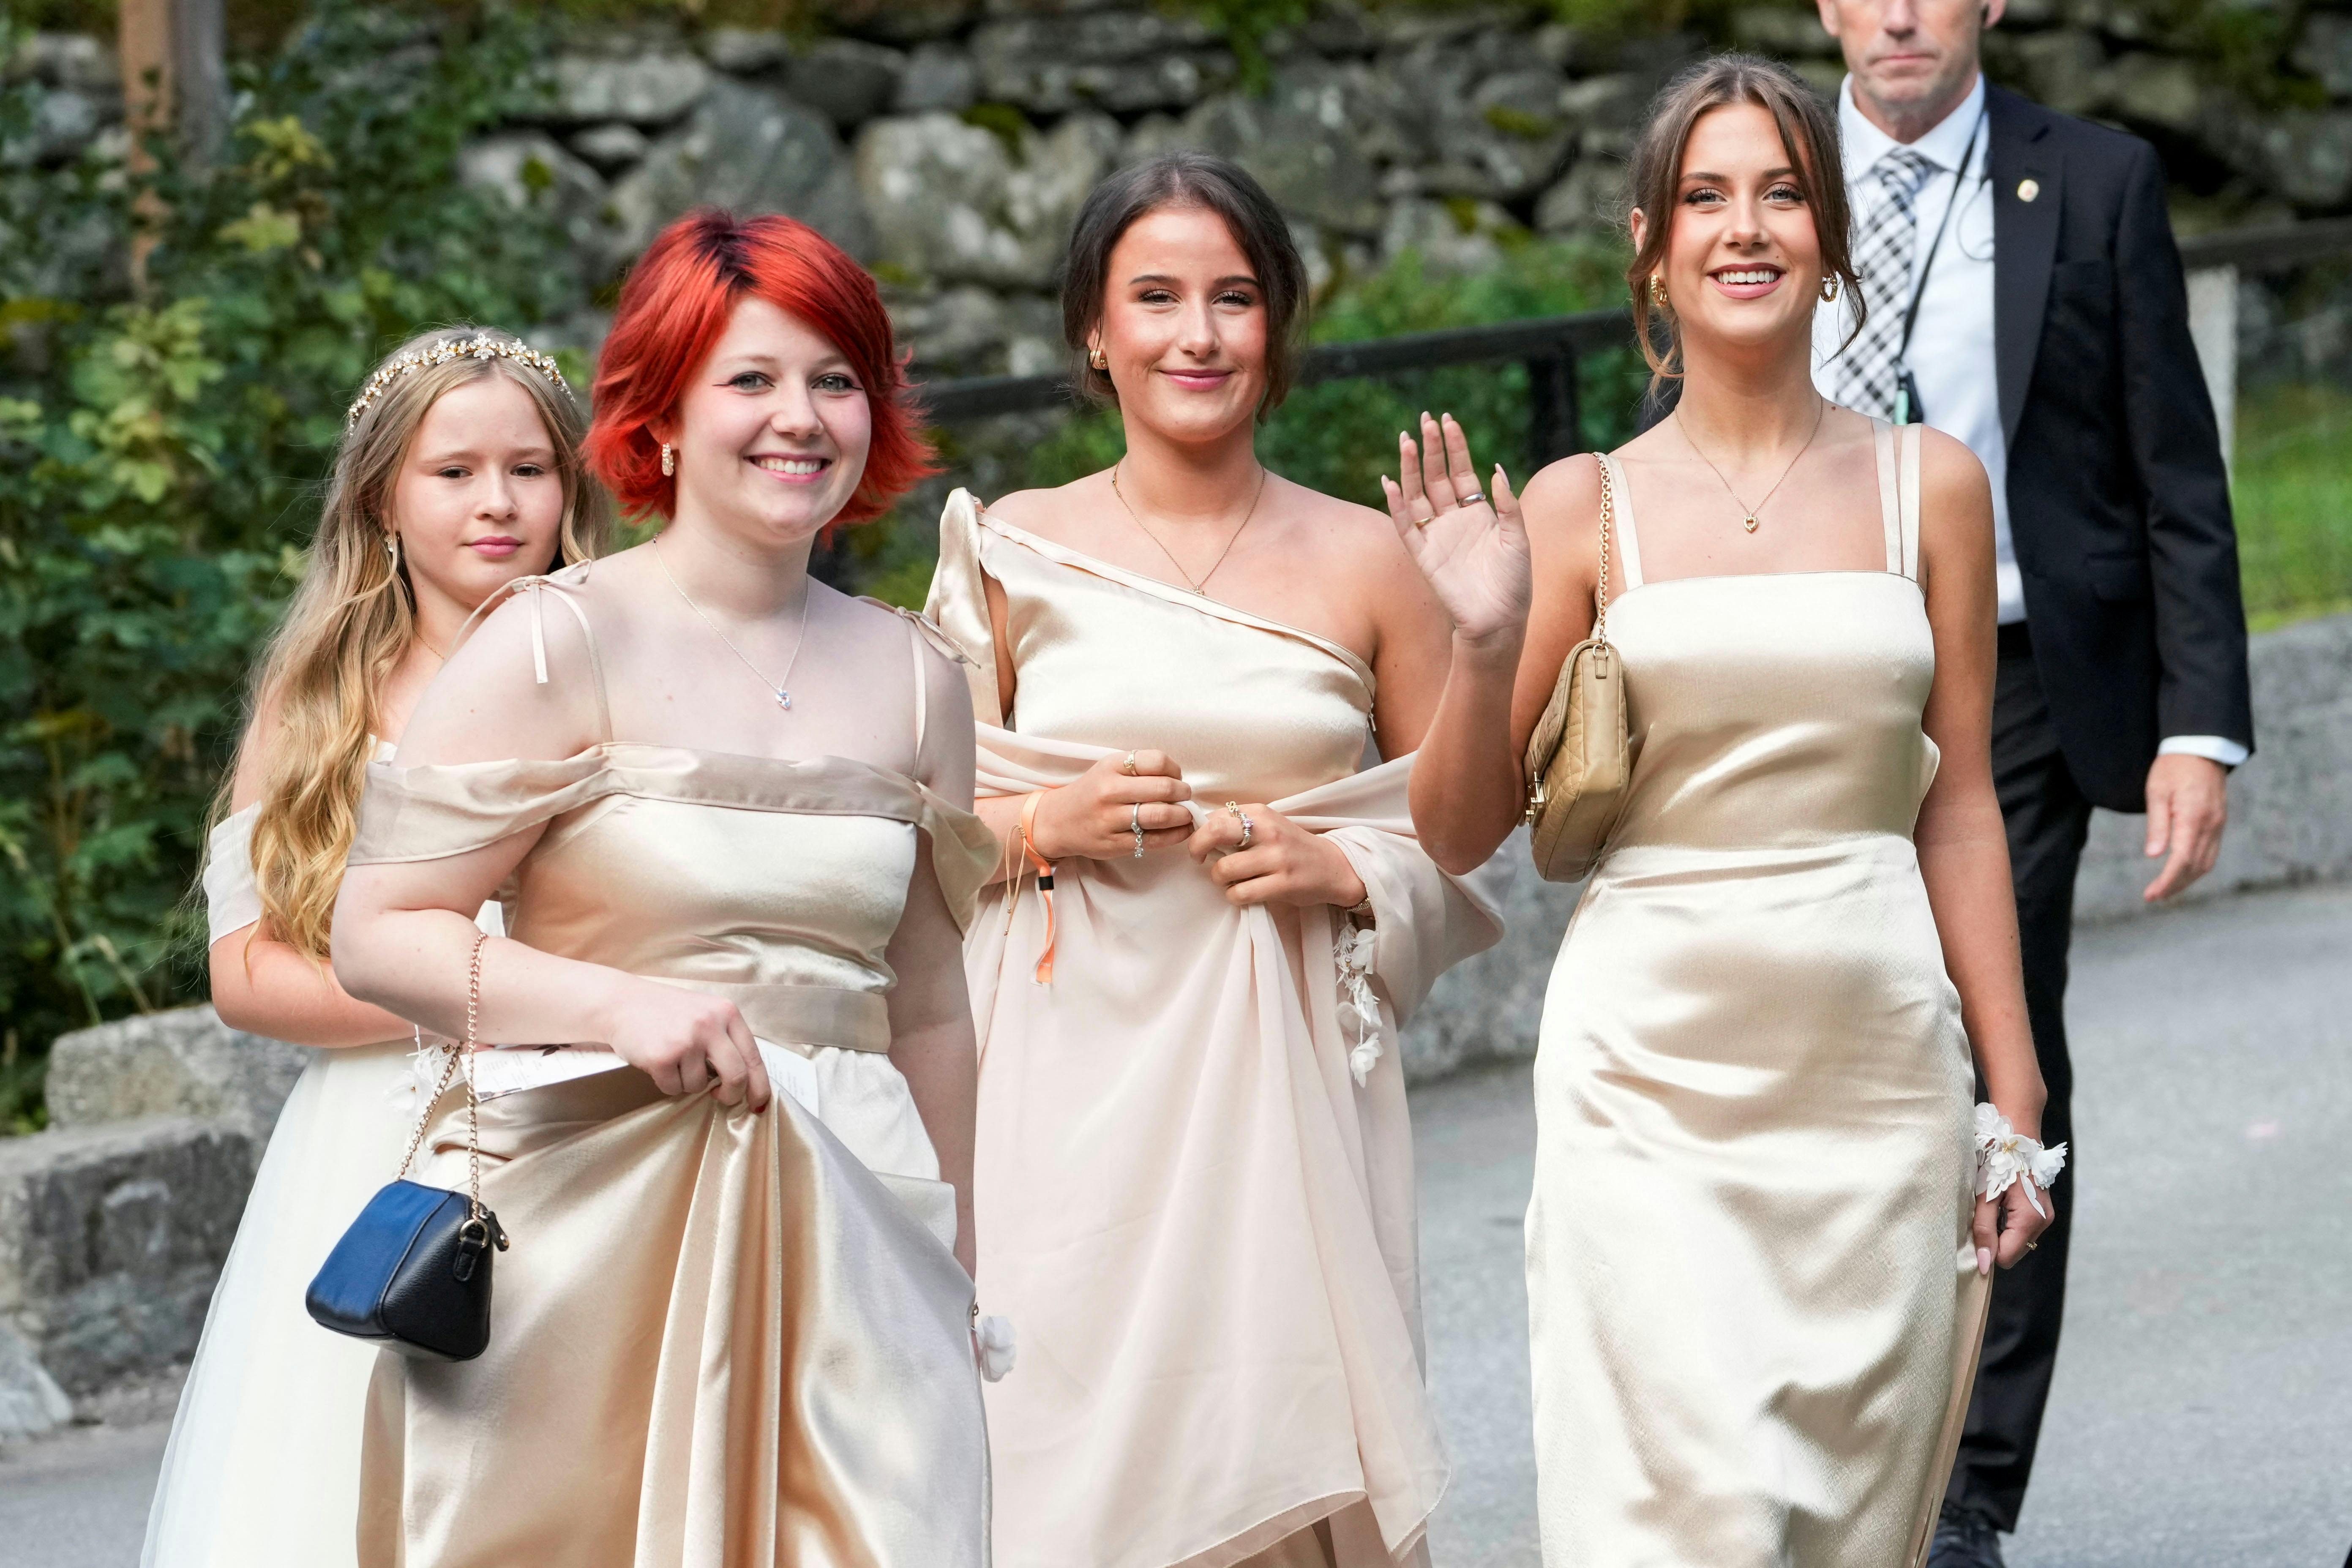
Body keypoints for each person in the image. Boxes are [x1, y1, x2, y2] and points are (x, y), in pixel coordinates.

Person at [1387, 57, 2060, 1568]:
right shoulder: (1580, 505)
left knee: (1839, 1526)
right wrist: (1485, 640)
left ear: (1829, 234)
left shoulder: (1931, 486)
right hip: (1650, 1085)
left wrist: (2012, 1095)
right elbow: (1454, 830)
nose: (1743, 227)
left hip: (1875, 1077)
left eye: (1779, 192)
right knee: (1688, 1521)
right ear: (1650, 244)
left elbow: (1956, 812)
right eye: (1704, 196)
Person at [330, 209, 996, 1566]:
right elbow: (376, 933)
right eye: (749, 379)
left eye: (835, 378)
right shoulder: (553, 640)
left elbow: (929, 1008)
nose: (798, 417)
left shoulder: (919, 675)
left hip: (855, 1237)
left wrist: (956, 1259)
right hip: (589, 1236)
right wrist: (621, 1006)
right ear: (667, 415)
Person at [924, 152, 1503, 1568]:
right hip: (1059, 1082)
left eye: (1235, 297)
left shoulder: (1373, 561)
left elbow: (1464, 830)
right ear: (1093, 330)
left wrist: (1351, 864)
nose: (1200, 334)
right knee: (1066, 1458)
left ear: (1279, 325)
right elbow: (911, 836)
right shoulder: (1005, 550)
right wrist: (1036, 828)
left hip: (1284, 1076)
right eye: (1158, 298)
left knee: (1279, 1439)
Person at [1807, 5, 2255, 1561]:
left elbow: (2173, 467)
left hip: (2014, 681)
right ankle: (1829, 1425)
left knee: (1999, 1041)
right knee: (1834, 1043)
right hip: (1807, 673)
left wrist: (2201, 722)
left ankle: (1967, 1490)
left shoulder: (2097, 181)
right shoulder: (1763, 174)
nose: (1903, 12)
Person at [144, 325, 605, 1568]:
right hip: (382, 1137)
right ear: (383, 499)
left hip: (596, 1118)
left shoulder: (626, 660)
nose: (498, 503)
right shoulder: (320, 702)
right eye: (454, 473)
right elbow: (243, 975)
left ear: (573, 488)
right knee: (358, 1482)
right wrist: (465, 990)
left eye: (531, 469)